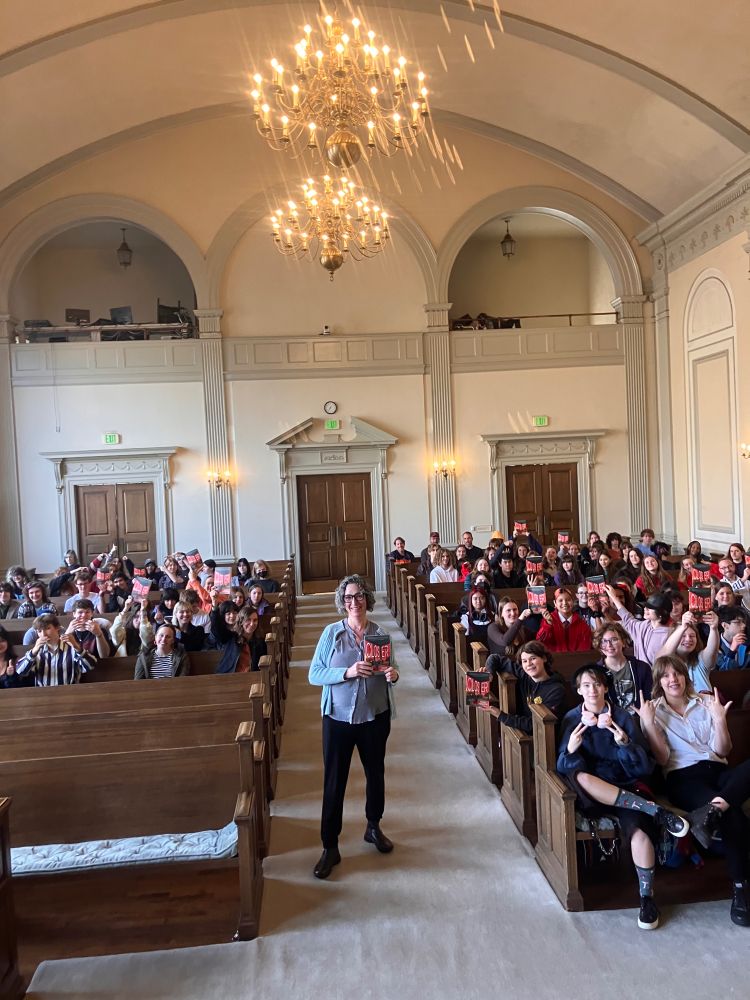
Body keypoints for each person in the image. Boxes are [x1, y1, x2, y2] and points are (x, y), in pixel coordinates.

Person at [557, 665, 689, 931]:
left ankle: (646, 899)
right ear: (579, 691)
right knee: (580, 776)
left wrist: (625, 743)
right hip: (592, 793)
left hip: (627, 788)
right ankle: (656, 811)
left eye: (597, 684)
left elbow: (643, 768)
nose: (592, 690)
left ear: (606, 687)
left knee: (639, 833)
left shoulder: (623, 717)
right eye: (586, 685)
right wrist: (570, 750)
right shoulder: (572, 719)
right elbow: (562, 765)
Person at [636, 655, 750, 926]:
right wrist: (649, 724)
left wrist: (720, 719)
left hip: (718, 773)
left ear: (685, 677)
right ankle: (740, 889)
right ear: (659, 682)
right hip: (683, 778)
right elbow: (662, 759)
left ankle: (714, 809)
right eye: (666, 676)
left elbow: (723, 750)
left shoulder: (705, 703)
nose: (672, 679)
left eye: (677, 674)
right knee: (732, 813)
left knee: (725, 800)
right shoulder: (652, 710)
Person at [308, 574, 399, 880]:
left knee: (376, 774)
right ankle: (330, 846)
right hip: (338, 719)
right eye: (348, 598)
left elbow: (392, 668)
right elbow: (314, 674)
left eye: (359, 596)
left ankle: (373, 827)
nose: (354, 602)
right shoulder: (332, 634)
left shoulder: (379, 633)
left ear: (367, 599)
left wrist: (392, 675)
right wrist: (346, 672)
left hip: (374, 717)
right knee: (335, 782)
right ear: (342, 602)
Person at [484, 640, 565, 731]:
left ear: (544, 658)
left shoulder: (556, 690)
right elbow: (494, 658)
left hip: (545, 738)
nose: (529, 664)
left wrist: (501, 716)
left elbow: (537, 725)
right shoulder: (524, 675)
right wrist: (489, 674)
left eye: (533, 658)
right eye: (524, 661)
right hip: (522, 731)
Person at [15, 614, 93, 686]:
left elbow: (90, 666)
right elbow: (20, 671)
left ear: (57, 628)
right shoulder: (35, 651)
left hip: (69, 693)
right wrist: (33, 652)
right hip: (43, 694)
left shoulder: (71, 648)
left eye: (47, 628)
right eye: (39, 631)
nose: (43, 634)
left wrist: (76, 646)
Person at [604, 585, 672, 666]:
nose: (645, 609)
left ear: (661, 613)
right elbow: (627, 617)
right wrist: (614, 598)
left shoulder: (668, 634)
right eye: (646, 606)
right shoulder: (643, 625)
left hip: (658, 676)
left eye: (650, 607)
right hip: (640, 675)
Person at [592, 622, 652, 713]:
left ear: (623, 642)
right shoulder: (595, 672)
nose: (609, 645)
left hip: (640, 719)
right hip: (609, 721)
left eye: (614, 639)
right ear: (599, 646)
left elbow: (649, 699)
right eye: (604, 641)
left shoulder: (642, 668)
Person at [655, 610, 718, 693]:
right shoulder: (665, 662)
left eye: (692, 636)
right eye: (683, 636)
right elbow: (664, 656)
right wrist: (683, 627)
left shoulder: (700, 659)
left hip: (705, 703)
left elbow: (712, 650)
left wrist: (714, 628)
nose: (688, 639)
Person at [536, 587, 593, 652]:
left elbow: (585, 646)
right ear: (555, 603)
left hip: (576, 659)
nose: (565, 603)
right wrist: (548, 624)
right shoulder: (548, 620)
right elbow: (540, 641)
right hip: (554, 659)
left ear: (572, 601)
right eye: (560, 600)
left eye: (568, 600)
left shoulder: (581, 622)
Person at [216, 607, 267, 673]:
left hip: (252, 678)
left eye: (255, 620)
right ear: (241, 622)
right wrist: (215, 608)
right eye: (248, 620)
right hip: (230, 677)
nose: (252, 624)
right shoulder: (232, 637)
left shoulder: (261, 642)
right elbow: (216, 628)